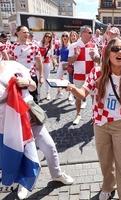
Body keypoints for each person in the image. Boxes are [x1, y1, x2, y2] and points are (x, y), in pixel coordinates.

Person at [66, 37, 121, 200]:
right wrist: (72, 89)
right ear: (107, 53)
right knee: (105, 161)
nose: (120, 52)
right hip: (100, 123)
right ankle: (108, 185)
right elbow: (83, 93)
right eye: (115, 49)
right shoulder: (97, 72)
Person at [0, 60, 74, 200]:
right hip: (9, 124)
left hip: (30, 116)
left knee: (49, 146)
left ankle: (57, 174)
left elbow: (33, 87)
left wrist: (27, 82)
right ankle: (24, 184)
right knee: (24, 154)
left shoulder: (13, 65)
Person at [68, 25, 100, 125]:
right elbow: (69, 61)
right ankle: (78, 115)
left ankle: (94, 115)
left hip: (91, 77)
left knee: (94, 97)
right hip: (79, 76)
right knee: (78, 97)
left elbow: (98, 61)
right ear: (82, 33)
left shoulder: (93, 45)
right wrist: (76, 55)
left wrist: (94, 57)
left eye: (91, 32)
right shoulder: (74, 45)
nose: (92, 34)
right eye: (90, 32)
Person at [8, 25, 44, 104]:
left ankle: (34, 116)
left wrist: (41, 76)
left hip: (31, 76)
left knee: (33, 100)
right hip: (18, 77)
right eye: (24, 32)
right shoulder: (12, 47)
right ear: (17, 33)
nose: (27, 34)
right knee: (19, 100)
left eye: (28, 32)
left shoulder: (34, 46)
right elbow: (10, 63)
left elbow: (39, 62)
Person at [39, 32, 53, 100]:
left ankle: (48, 93)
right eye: (46, 36)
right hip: (39, 63)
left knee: (47, 79)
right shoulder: (39, 44)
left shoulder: (51, 46)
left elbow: (51, 56)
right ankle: (38, 93)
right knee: (39, 78)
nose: (47, 38)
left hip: (47, 63)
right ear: (44, 37)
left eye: (49, 37)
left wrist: (54, 62)